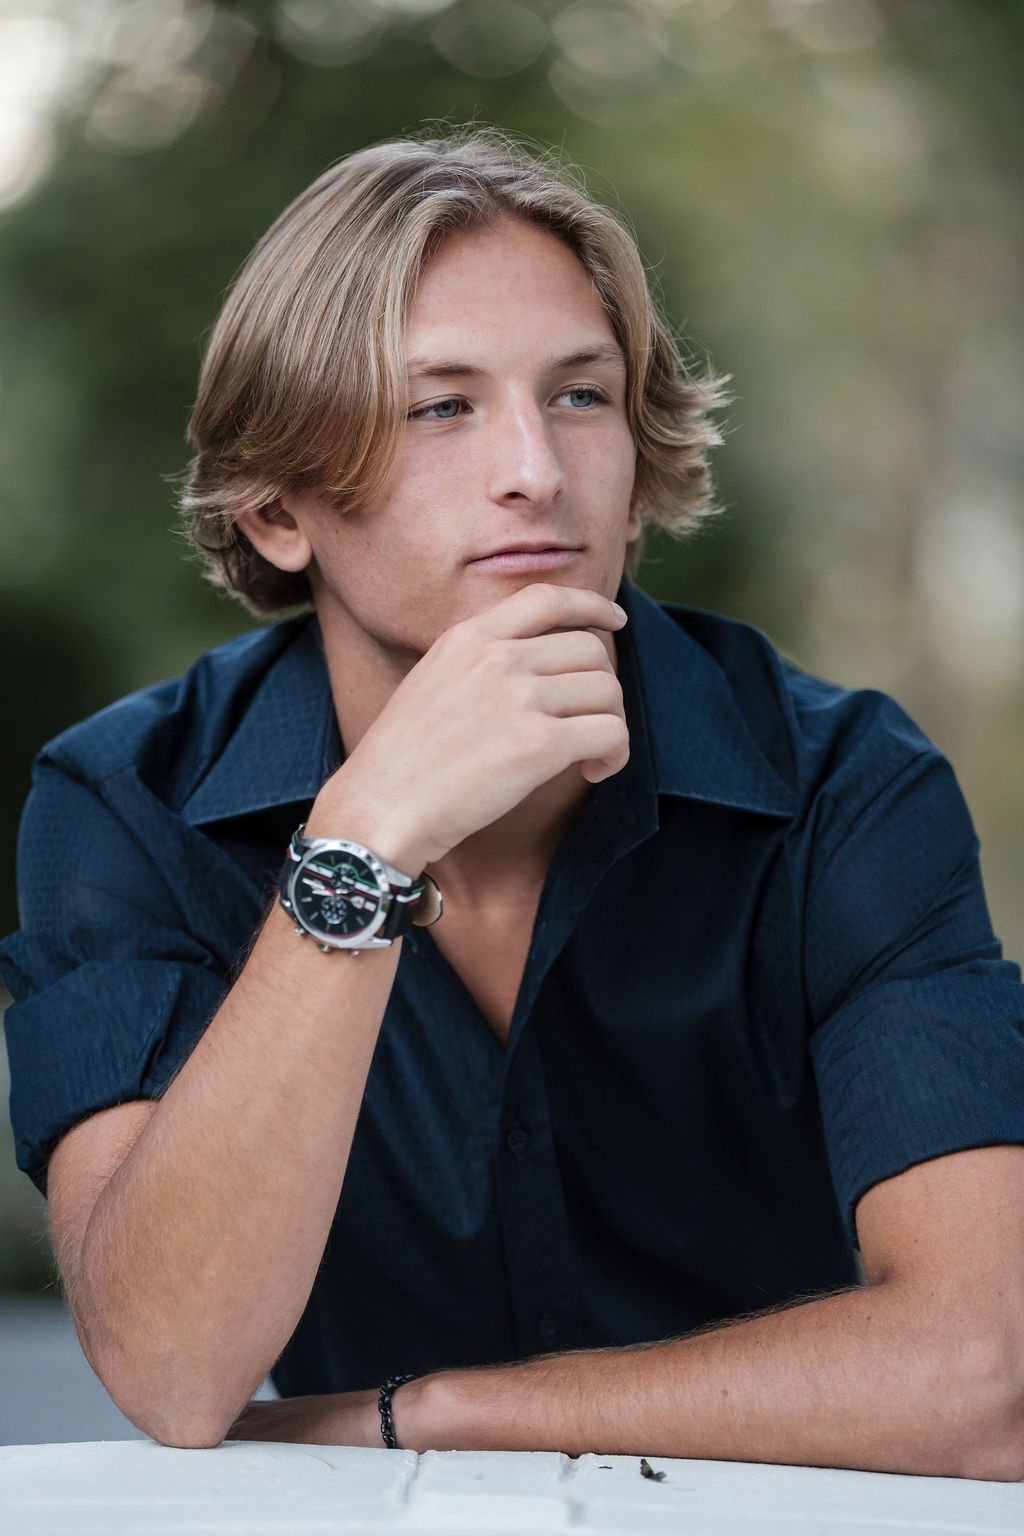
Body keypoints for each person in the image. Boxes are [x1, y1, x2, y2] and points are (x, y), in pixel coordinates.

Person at [2, 125, 1023, 1480]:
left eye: (582, 396)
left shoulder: (847, 789)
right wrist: (360, 850)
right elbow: (176, 1370)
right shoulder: (122, 805)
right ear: (277, 514)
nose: (535, 470)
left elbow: (985, 1373)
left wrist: (429, 1413)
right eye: (441, 406)